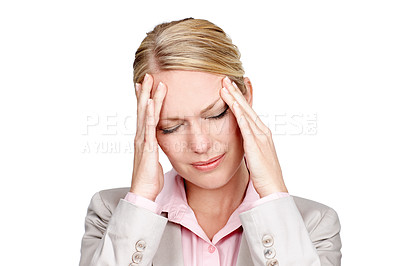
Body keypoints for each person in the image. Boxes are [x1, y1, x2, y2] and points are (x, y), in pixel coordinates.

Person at [79, 18, 342, 266]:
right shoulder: (112, 214)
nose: (200, 144)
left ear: (245, 96)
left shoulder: (314, 225)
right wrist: (142, 199)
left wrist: (273, 195)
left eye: (216, 114)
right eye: (171, 127)